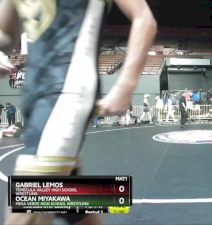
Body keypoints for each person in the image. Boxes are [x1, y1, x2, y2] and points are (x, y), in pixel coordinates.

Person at [0, 0, 157, 224]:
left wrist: (125, 86)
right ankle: (103, 197)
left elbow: (144, 18)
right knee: (70, 204)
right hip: (35, 98)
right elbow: (6, 32)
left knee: (30, 196)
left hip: (68, 90)